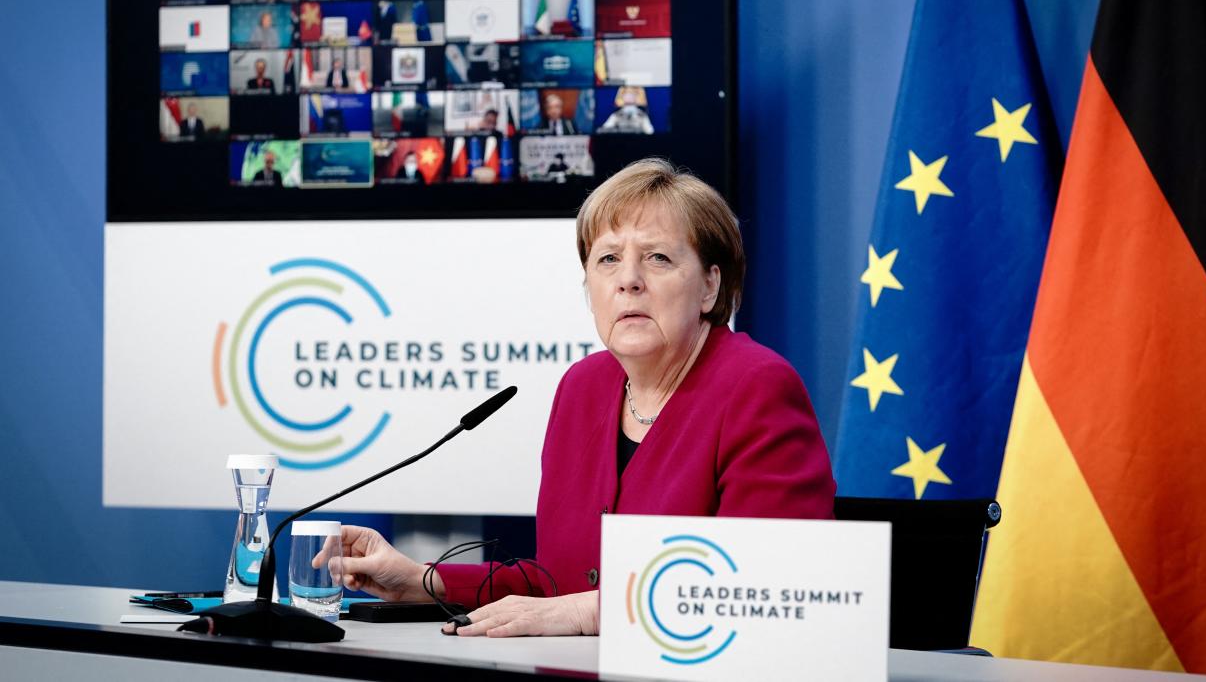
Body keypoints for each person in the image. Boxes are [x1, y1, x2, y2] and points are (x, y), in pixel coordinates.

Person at [329, 158, 836, 637]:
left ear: (709, 286)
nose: (628, 281)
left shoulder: (756, 386)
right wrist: (423, 580)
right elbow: (559, 583)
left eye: (658, 258)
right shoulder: (584, 387)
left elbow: (765, 585)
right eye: (608, 259)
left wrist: (580, 612)